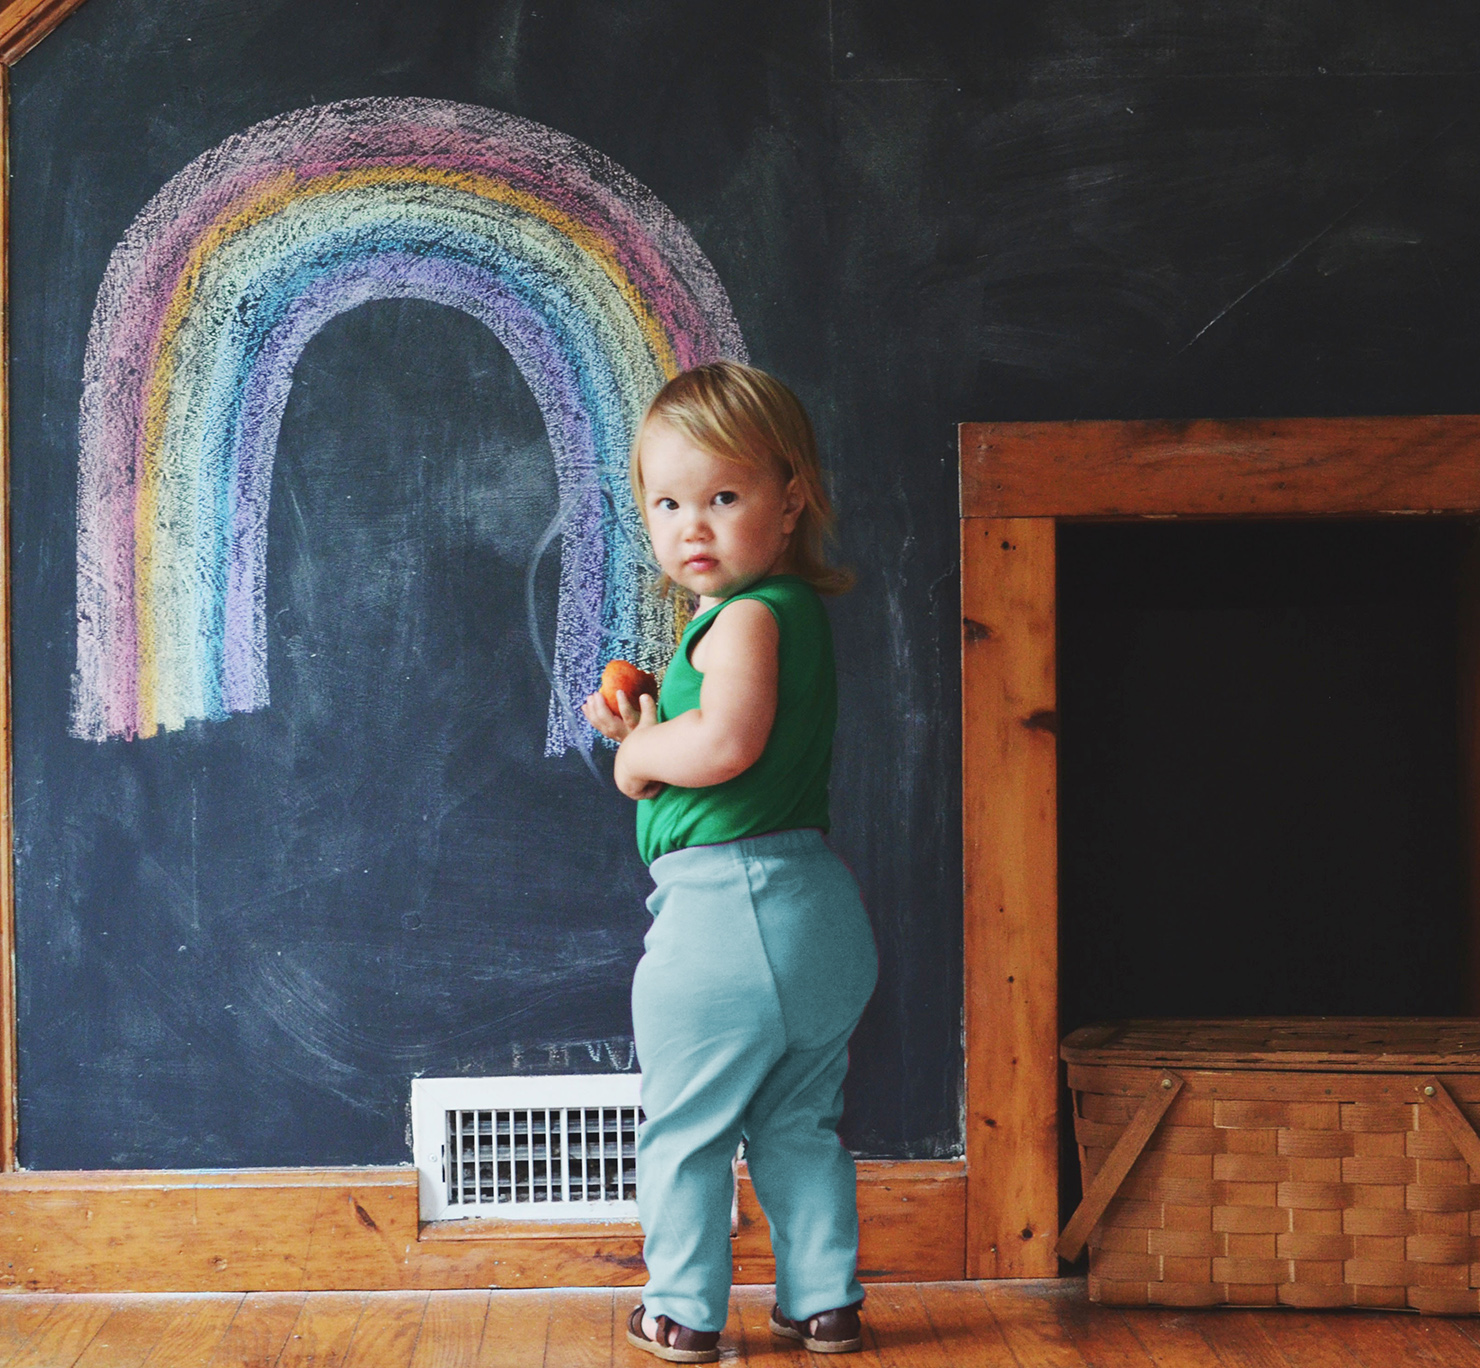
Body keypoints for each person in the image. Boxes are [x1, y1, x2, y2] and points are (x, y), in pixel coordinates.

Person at [581, 361, 878, 1362]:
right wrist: (654, 709)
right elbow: (720, 727)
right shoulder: (786, 616)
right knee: (799, 1123)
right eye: (667, 503)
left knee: (688, 1128)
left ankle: (682, 1310)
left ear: (789, 499)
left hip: (724, 916)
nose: (691, 527)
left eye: (723, 496)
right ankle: (823, 1300)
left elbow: (724, 748)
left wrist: (634, 756)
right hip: (816, 918)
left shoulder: (746, 618)